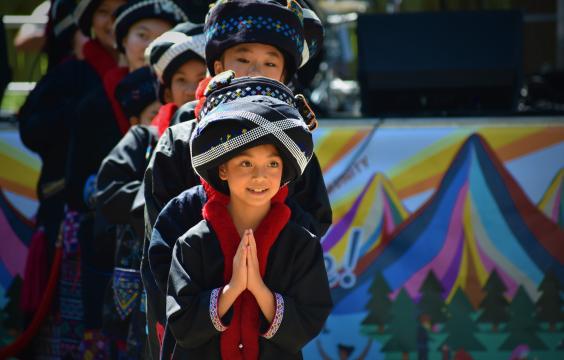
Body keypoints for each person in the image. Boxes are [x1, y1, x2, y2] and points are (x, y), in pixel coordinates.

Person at [142, 0, 329, 355]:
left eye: (270, 62)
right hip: (191, 323)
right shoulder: (180, 141)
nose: (255, 70)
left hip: (269, 321)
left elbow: (314, 225)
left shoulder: (292, 146)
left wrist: (263, 265)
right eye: (242, 59)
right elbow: (159, 244)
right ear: (216, 66)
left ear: (286, 76)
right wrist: (213, 288)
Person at [165, 74, 333, 358]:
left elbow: (309, 318)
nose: (260, 176)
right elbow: (181, 325)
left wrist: (257, 288)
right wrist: (231, 290)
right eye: (245, 163)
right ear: (222, 169)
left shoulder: (300, 243)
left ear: (284, 173)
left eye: (272, 163)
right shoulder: (192, 244)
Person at [64, 0, 186, 355]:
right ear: (123, 40)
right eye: (142, 34)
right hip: (109, 245)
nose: (151, 44)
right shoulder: (92, 99)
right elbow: (90, 186)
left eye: (162, 35)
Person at [94, 23, 206, 357]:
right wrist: (166, 200)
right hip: (145, 273)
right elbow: (109, 192)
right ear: (167, 91)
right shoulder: (145, 140)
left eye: (199, 77)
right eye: (180, 81)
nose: (190, 89)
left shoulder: (227, 144)